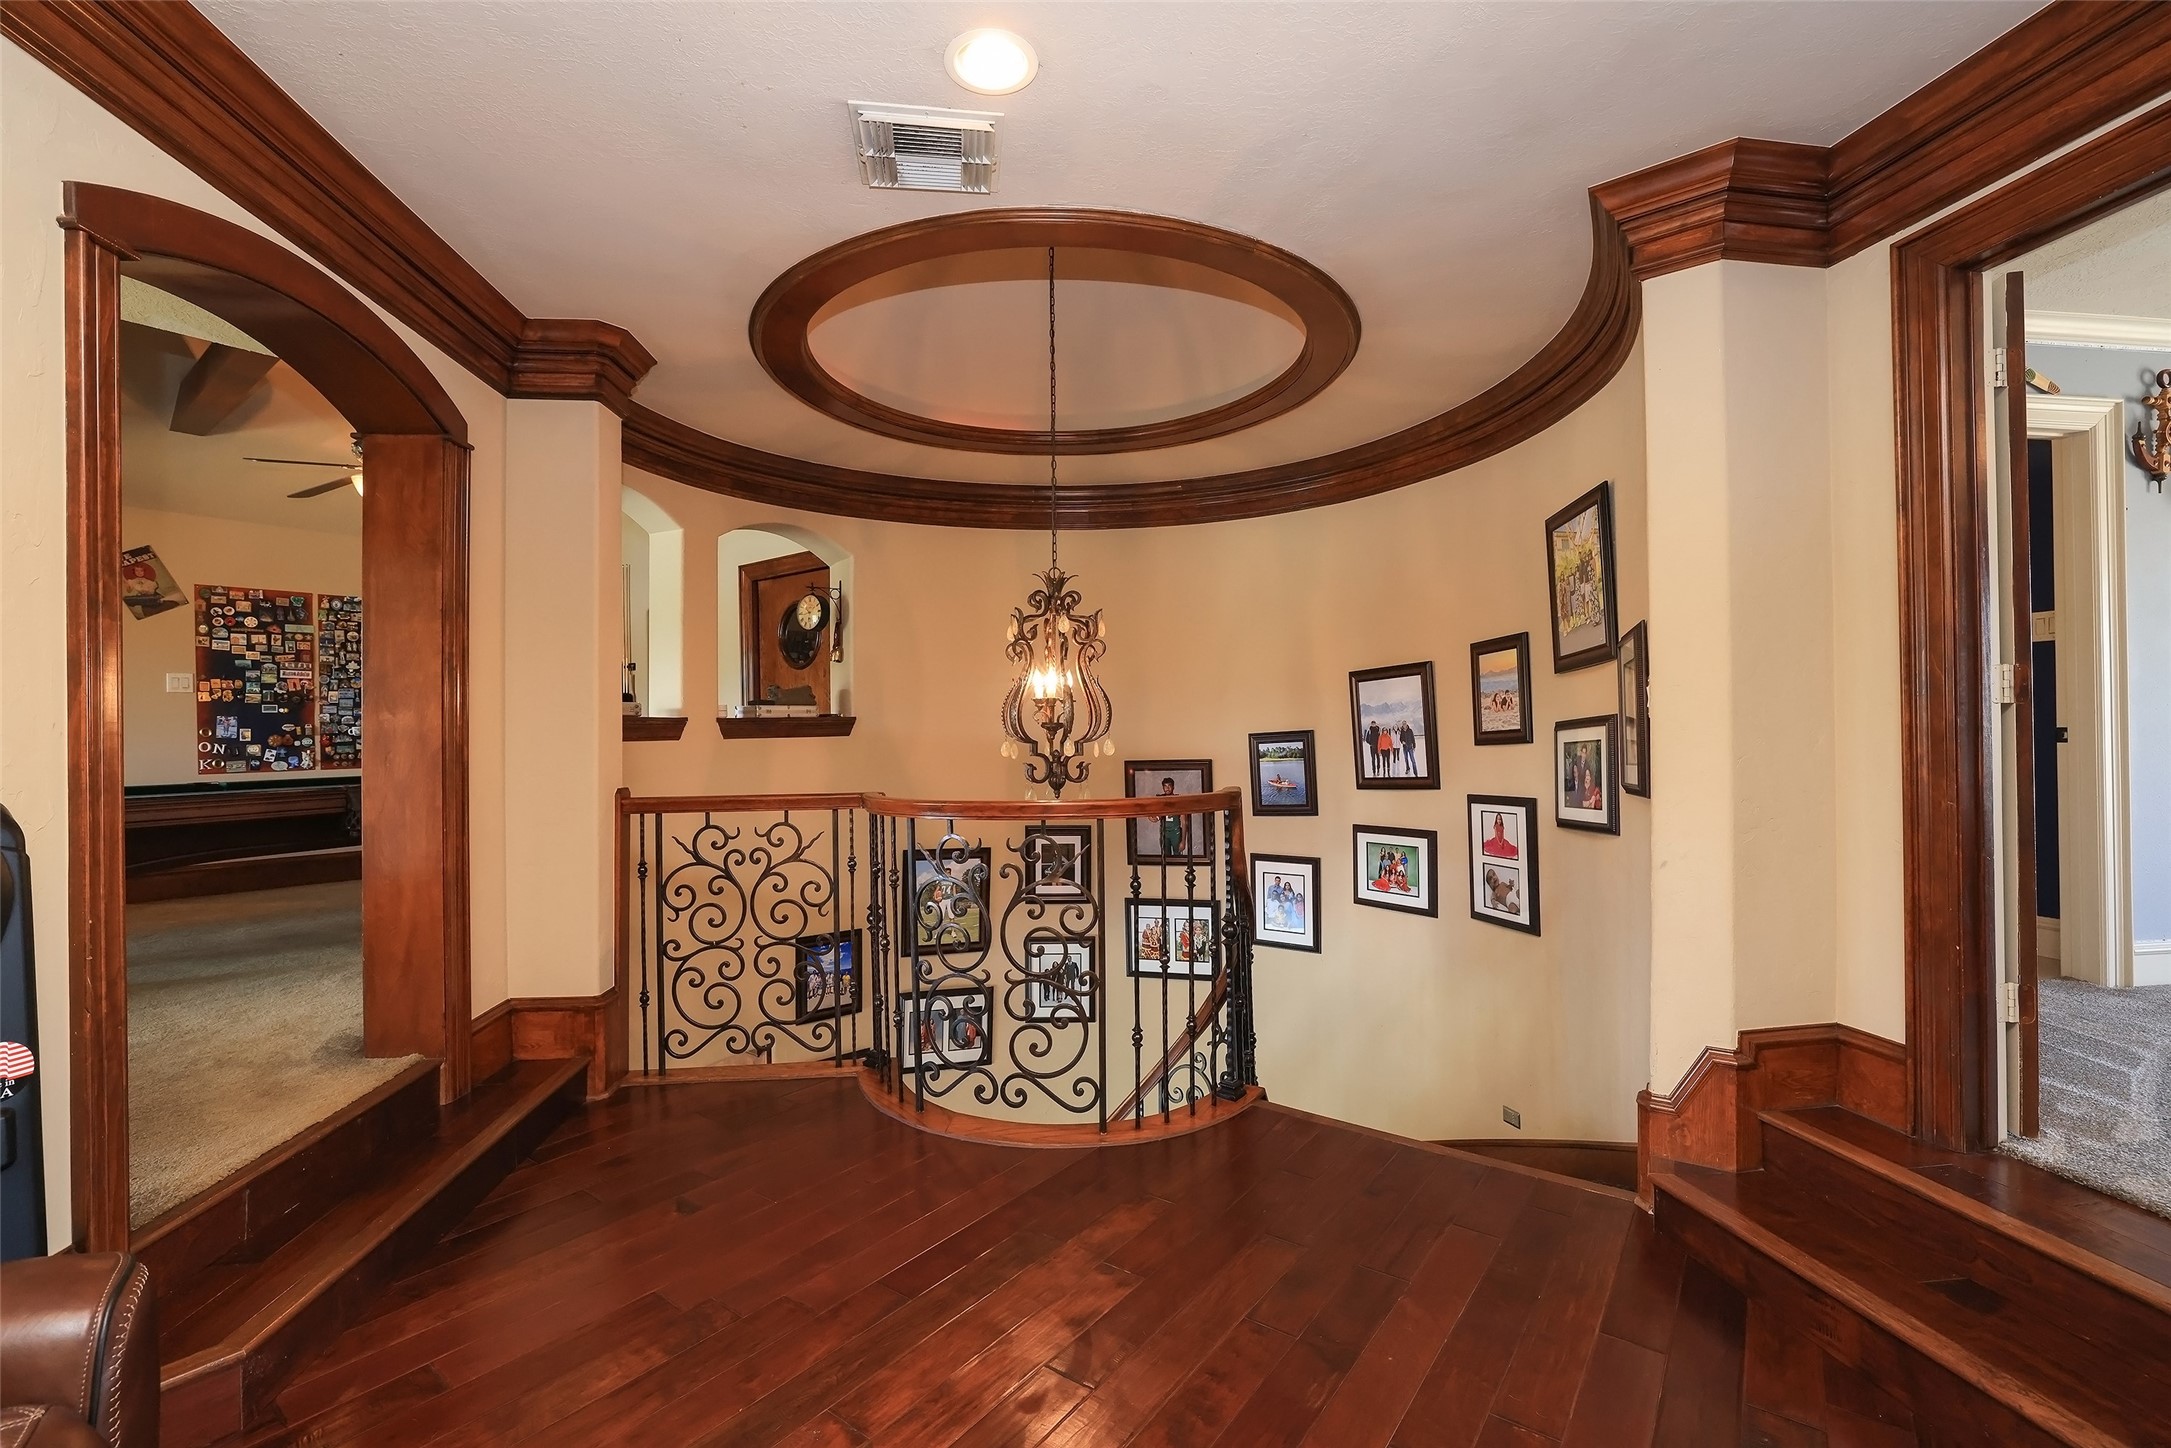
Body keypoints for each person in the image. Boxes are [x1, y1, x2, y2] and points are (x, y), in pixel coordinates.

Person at [1157, 777, 1187, 858]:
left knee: (1178, 857)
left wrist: (1183, 841)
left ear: (1173, 787)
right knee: (1166, 857)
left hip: (1175, 832)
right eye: (1165, 786)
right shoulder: (1160, 800)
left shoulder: (1178, 801)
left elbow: (1184, 822)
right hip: (1165, 832)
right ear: (1163, 788)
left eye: (1169, 786)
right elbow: (1156, 817)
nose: (1167, 788)